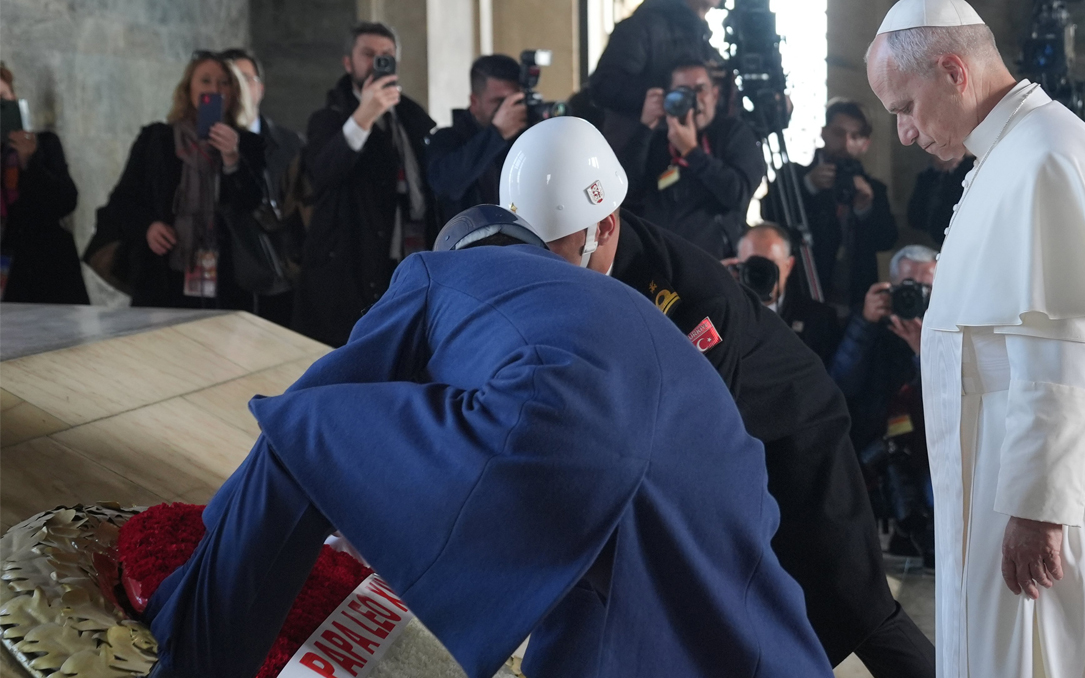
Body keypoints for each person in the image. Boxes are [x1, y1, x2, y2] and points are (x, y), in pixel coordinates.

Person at [141, 204, 832, 678]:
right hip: (725, 468)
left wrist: (206, 544)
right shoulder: (613, 296)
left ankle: (193, 656)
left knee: (301, 435)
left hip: (552, 422)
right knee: (670, 611)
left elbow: (320, 400)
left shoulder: (435, 273)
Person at [506, 116, 935, 677]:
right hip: (719, 442)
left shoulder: (685, 297)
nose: (541, 265)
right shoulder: (573, 268)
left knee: (857, 607)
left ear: (603, 225)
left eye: (554, 248)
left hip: (796, 438)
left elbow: (693, 430)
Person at [866, 0, 1085, 678]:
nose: (903, 132)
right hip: (1022, 453)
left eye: (904, 108)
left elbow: (1059, 356)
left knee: (1057, 647)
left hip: (1050, 468)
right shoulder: (1010, 149)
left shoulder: (1042, 155)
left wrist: (1039, 510)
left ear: (954, 71)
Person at [293, 22, 437, 347]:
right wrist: (364, 116)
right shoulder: (328, 117)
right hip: (346, 263)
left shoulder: (410, 117)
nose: (377, 62)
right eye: (368, 54)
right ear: (348, 63)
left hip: (404, 254)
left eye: (386, 55)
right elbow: (322, 173)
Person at [86, 51, 265, 309]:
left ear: (234, 91)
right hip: (163, 272)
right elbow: (123, 201)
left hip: (228, 277)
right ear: (188, 89)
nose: (215, 89)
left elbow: (252, 206)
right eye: (205, 81)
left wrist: (232, 159)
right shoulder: (157, 139)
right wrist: (148, 227)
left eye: (224, 82)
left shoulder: (248, 143)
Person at [829, 246, 937, 563]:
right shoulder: (869, 322)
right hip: (874, 443)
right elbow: (839, 386)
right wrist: (863, 324)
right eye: (908, 288)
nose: (916, 297)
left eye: (926, 289)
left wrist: (923, 354)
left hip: (930, 448)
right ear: (889, 287)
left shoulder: (952, 329)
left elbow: (950, 402)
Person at [621, 59, 767, 259]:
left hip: (713, 261)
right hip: (658, 258)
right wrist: (644, 129)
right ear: (667, 97)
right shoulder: (657, 138)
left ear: (715, 95)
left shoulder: (735, 133)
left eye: (700, 89)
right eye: (683, 91)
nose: (693, 99)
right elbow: (625, 192)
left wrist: (691, 151)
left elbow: (738, 195)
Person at [763, 100, 897, 304]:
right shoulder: (793, 177)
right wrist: (808, 186)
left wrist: (865, 209)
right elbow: (767, 214)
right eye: (838, 132)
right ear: (823, 132)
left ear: (865, 144)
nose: (845, 142)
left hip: (855, 296)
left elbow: (887, 240)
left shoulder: (874, 190)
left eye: (855, 136)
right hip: (802, 291)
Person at [587, 0, 723, 137]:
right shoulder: (643, 26)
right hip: (642, 146)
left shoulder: (704, 42)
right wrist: (671, 96)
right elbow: (604, 86)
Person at [220, 47, 306, 327]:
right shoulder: (199, 144)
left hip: (276, 272)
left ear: (260, 87)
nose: (237, 88)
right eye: (228, 80)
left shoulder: (291, 143)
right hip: (223, 273)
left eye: (244, 78)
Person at [0, 64, 89, 304]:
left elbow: (66, 201)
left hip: (45, 272)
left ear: (13, 101)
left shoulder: (45, 145)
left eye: (2, 99)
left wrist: (30, 162)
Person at [425, 55, 526, 226]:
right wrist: (497, 134)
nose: (508, 110)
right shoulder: (447, 140)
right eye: (499, 101)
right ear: (474, 102)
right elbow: (447, 186)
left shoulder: (524, 140)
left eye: (515, 101)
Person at [728, 223, 840, 365]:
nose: (760, 274)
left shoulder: (819, 320)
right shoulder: (724, 313)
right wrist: (715, 287)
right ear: (737, 267)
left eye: (769, 266)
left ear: (788, 266)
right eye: (753, 265)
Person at [906, 153, 973, 247]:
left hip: (961, 238)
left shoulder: (970, 171)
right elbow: (914, 216)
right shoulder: (928, 176)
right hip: (932, 239)